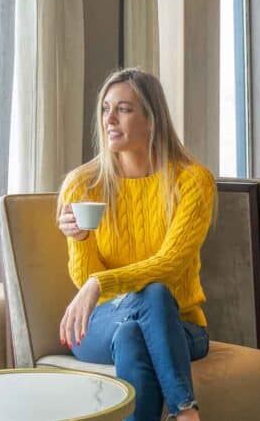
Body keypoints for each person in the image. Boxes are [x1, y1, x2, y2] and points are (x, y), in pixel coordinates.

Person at [56, 68, 215, 421]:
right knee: (135, 316)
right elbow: (85, 277)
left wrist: (102, 283)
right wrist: (80, 240)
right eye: (105, 108)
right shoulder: (82, 185)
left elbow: (171, 263)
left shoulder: (191, 181)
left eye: (124, 109)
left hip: (181, 326)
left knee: (148, 308)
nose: (109, 119)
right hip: (99, 325)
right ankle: (186, 412)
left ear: (152, 119)